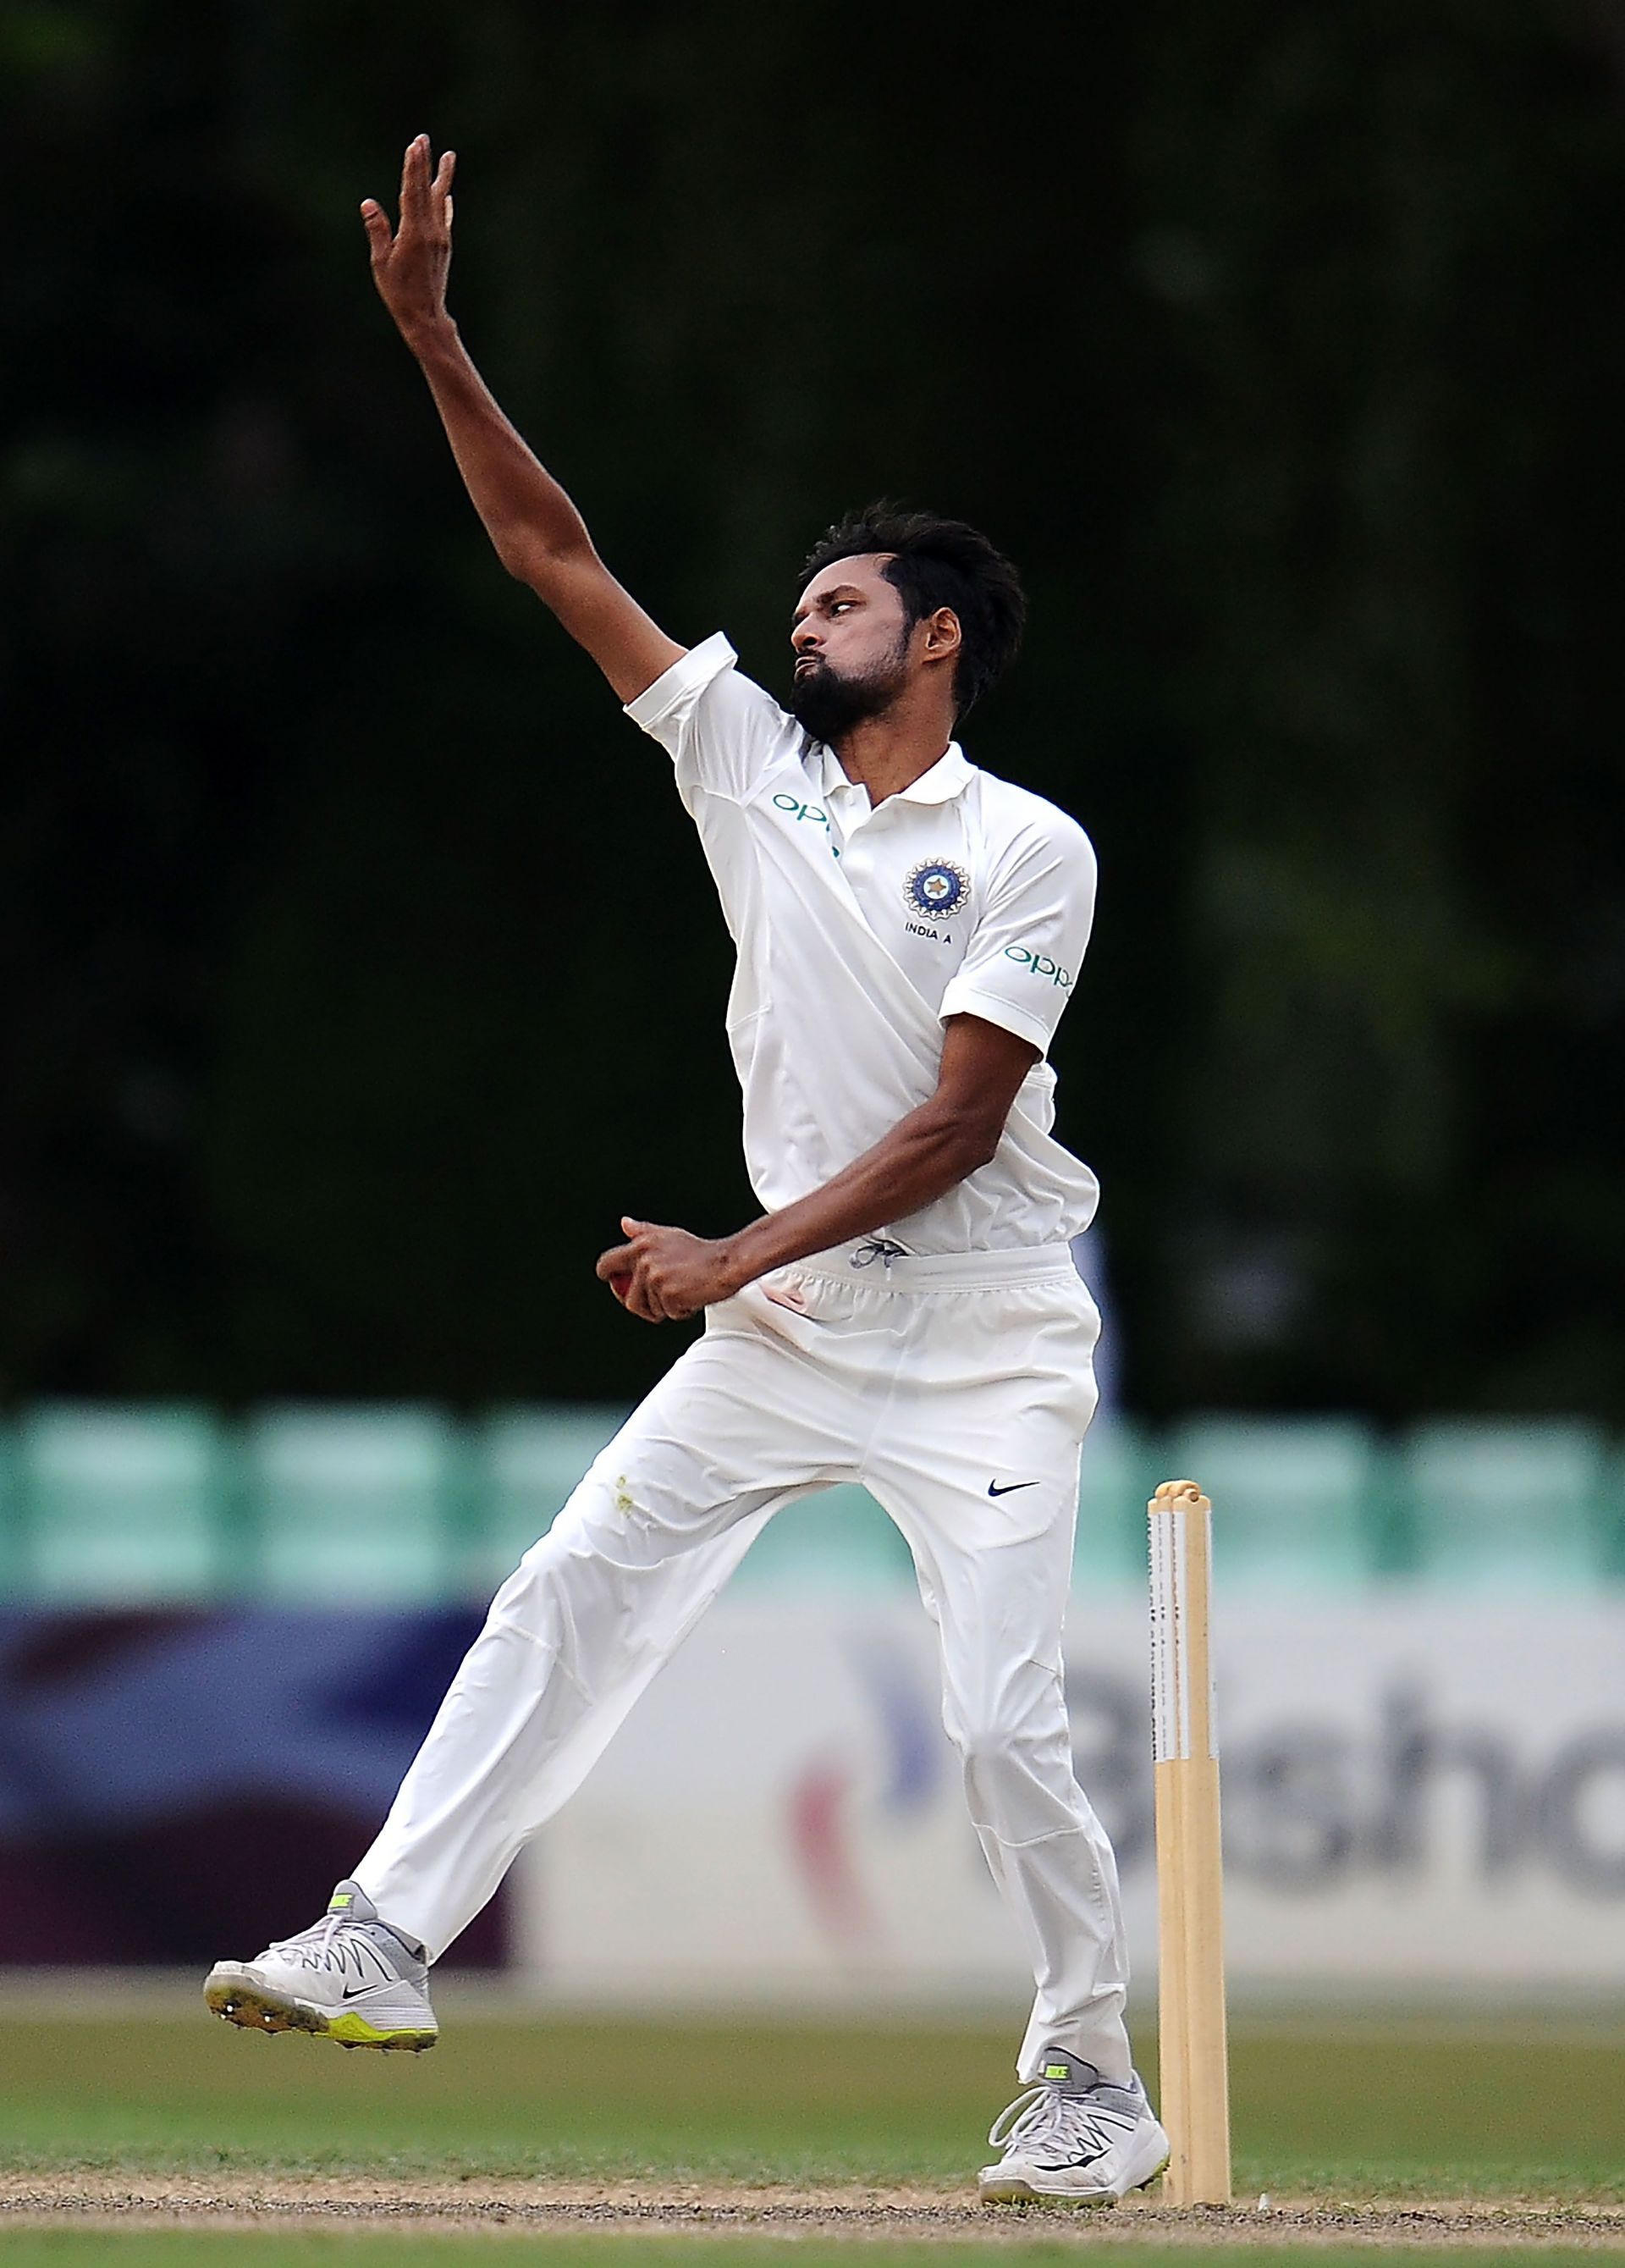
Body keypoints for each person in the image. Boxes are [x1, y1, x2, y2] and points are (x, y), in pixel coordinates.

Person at [205, 134, 1169, 2210]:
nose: (792, 621)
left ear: (932, 643)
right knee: (573, 1587)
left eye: (838, 602)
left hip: (987, 1335)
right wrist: (437, 337)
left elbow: (958, 1122)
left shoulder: (1027, 844)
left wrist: (732, 1247)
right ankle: (380, 1931)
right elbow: (554, 554)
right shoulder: (744, 759)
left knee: (1002, 1724)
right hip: (793, 1318)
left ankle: (1089, 2075)